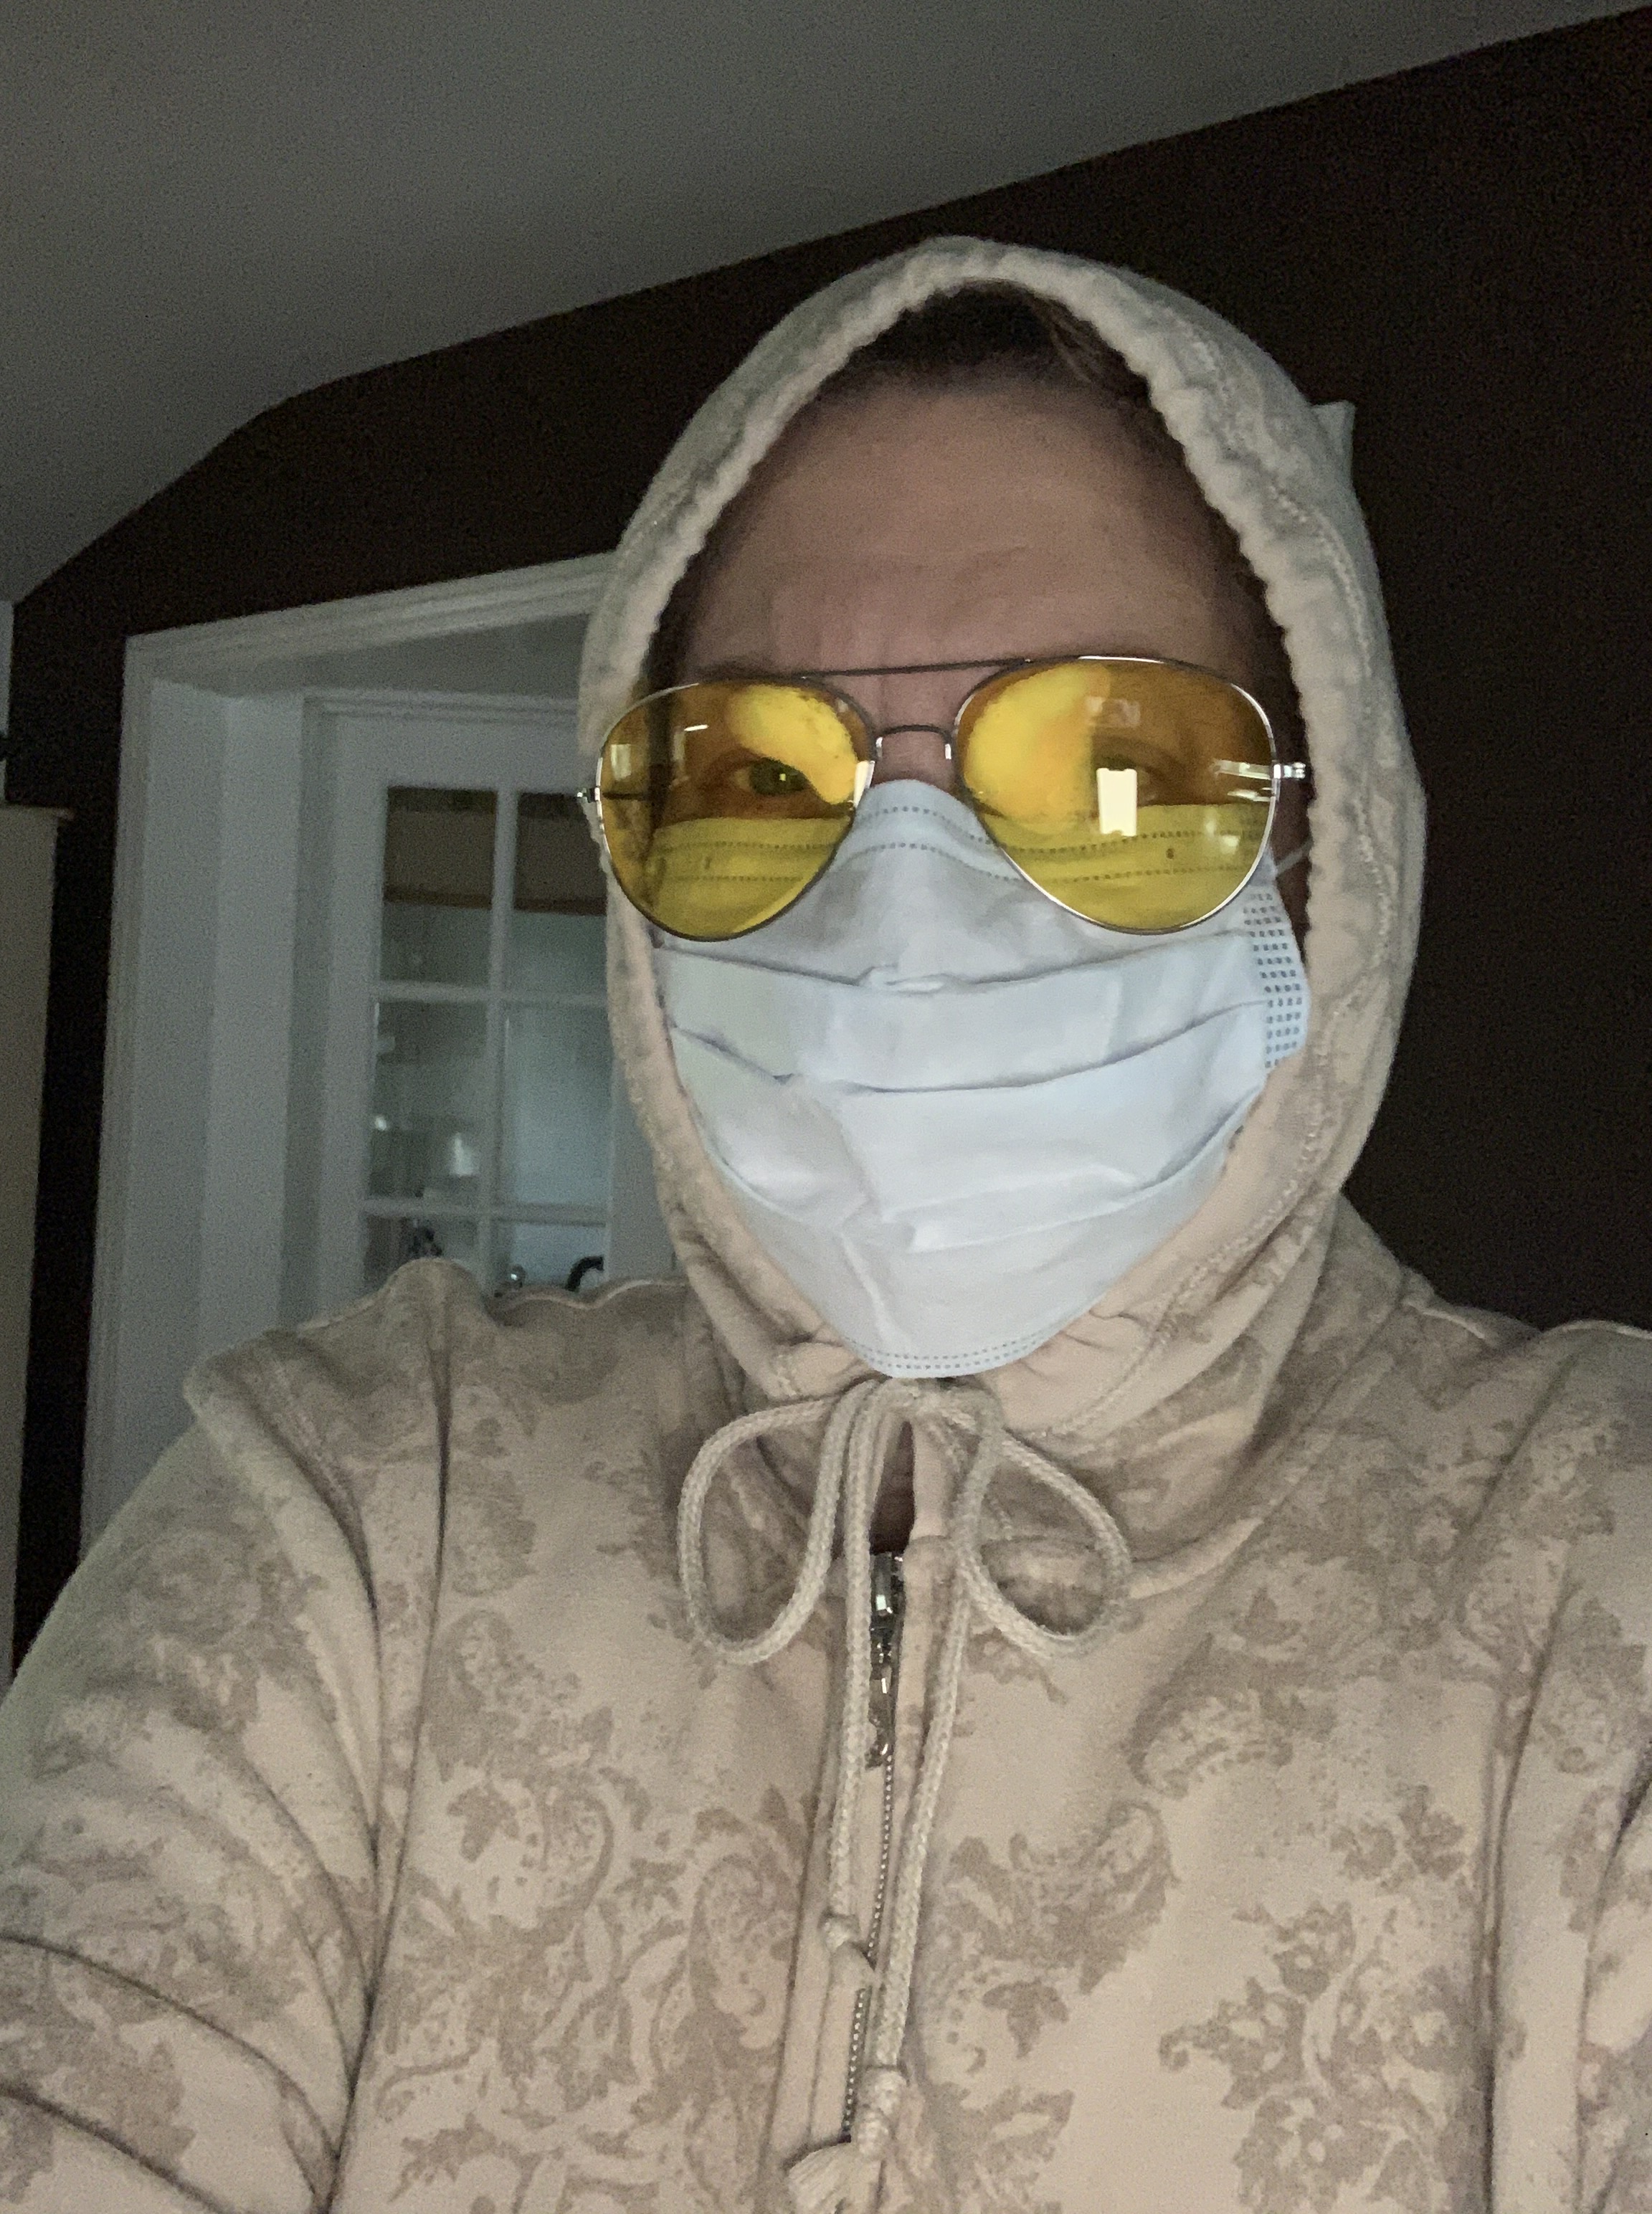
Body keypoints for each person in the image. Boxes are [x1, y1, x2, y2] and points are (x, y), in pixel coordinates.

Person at [0, 237, 1647, 2213]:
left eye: (1113, 763)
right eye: (756, 776)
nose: (904, 903)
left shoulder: (1601, 1576)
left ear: (1327, 853)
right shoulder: (358, 1495)